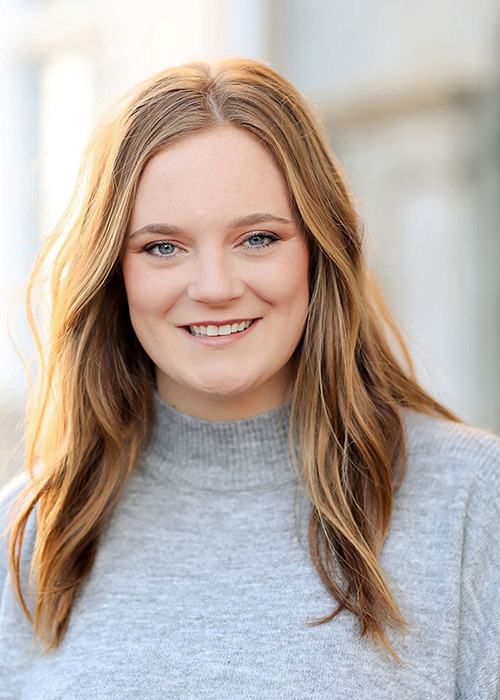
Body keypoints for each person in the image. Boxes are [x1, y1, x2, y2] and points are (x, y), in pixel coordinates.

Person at [0, 57, 499, 700]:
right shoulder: (33, 530)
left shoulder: (471, 501)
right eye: (162, 247)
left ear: (319, 252)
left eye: (258, 238)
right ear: (113, 274)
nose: (214, 287)